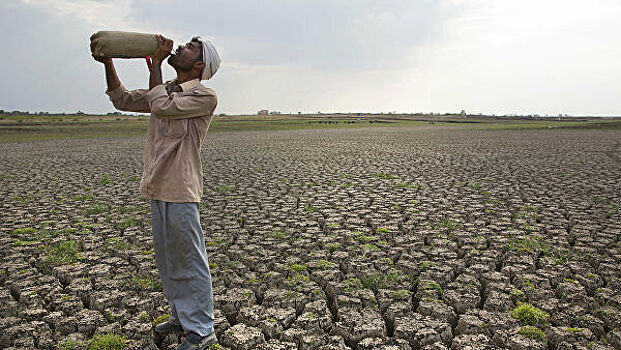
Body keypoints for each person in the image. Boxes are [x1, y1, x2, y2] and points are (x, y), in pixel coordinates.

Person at [93, 34, 221, 350]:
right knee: (168, 261)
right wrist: (109, 61)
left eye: (189, 47)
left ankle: (203, 329)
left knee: (190, 260)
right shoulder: (164, 91)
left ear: (200, 64)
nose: (180, 48)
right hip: (158, 187)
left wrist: (158, 64)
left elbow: (161, 107)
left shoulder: (204, 96)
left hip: (180, 188)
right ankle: (181, 316)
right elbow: (121, 99)